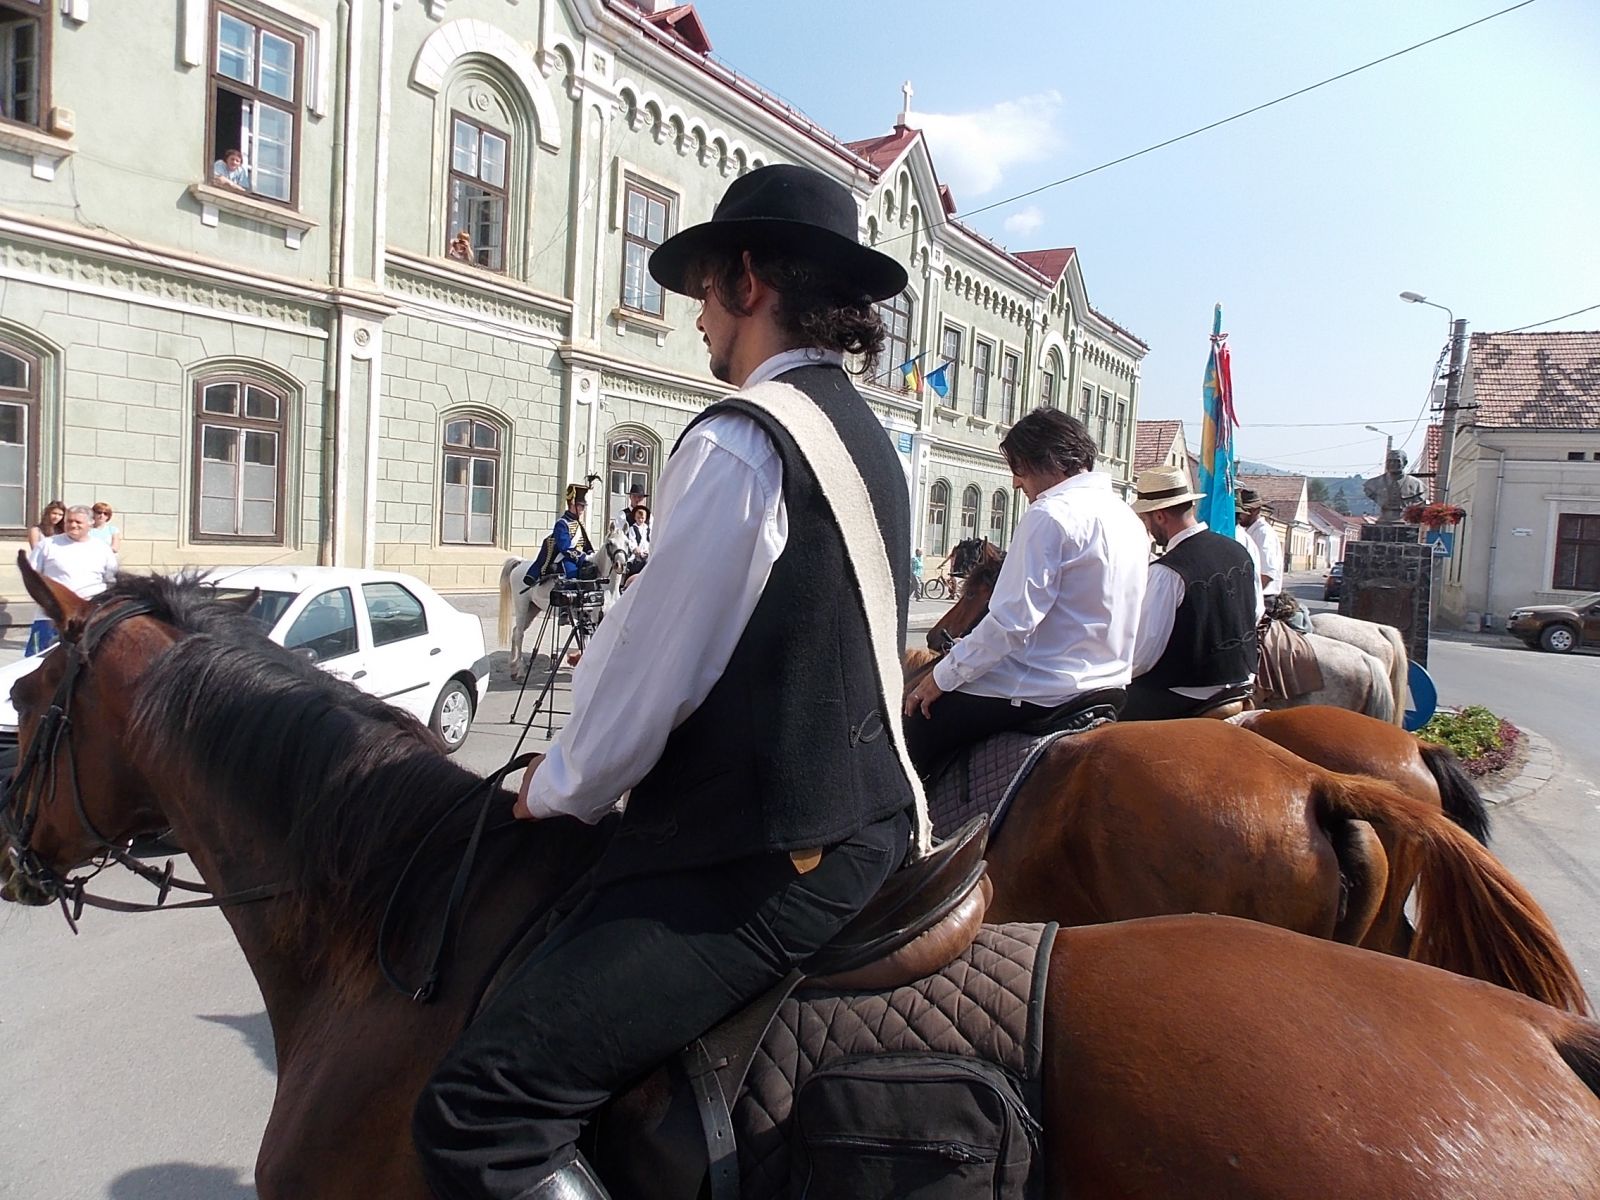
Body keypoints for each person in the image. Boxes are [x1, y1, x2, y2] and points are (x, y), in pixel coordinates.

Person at [413, 163, 924, 1200]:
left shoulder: (744, 441)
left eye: (700, 292)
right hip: (860, 818)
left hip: (775, 851)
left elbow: (654, 676)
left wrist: (552, 789)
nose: (694, 318)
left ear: (746, 281)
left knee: (481, 1107)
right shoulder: (859, 432)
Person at [902, 407, 1148, 777]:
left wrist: (940, 678)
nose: (1017, 484)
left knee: (909, 725)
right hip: (1107, 687)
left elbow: (1010, 622)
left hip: (1040, 689)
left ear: (1045, 460)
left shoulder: (1050, 513)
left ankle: (914, 832)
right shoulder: (1126, 517)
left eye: (1018, 469)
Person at [1122, 466, 1260, 721]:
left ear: (1160, 516)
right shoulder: (1240, 552)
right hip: (1242, 681)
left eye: (1147, 519)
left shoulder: (1167, 571)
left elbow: (1143, 656)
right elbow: (1256, 612)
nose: (1148, 527)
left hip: (1185, 692)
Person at [27, 506, 118, 655]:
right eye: (69, 521)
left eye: (78, 522)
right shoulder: (48, 545)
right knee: (39, 663)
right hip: (51, 617)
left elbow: (112, 581)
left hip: (89, 618)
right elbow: (32, 575)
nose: (73, 525)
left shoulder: (102, 549)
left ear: (90, 524)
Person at [526, 482, 595, 587]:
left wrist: (591, 554)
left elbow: (584, 543)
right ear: (572, 504)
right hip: (565, 558)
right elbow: (565, 548)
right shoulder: (562, 524)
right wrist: (582, 557)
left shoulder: (580, 524)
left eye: (584, 506)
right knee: (572, 574)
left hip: (579, 558)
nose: (583, 509)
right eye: (581, 506)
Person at [1237, 486, 1283, 600]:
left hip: (1263, 597)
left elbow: (1266, 574)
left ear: (1256, 510)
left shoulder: (1263, 533)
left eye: (1244, 511)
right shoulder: (1248, 531)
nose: (1240, 515)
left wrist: (1249, 598)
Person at [1362, 448, 1427, 524]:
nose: (1392, 464)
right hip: (1383, 519)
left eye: (1396, 461)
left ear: (1405, 463)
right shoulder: (1372, 484)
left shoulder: (1417, 486)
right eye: (1389, 461)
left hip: (1403, 520)